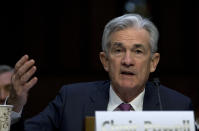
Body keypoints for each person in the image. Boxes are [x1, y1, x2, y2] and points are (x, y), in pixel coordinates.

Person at [9, 13, 193, 131]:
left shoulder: (177, 106)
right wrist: (13, 108)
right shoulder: (71, 100)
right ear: (105, 61)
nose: (127, 61)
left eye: (138, 51)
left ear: (153, 62)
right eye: (118, 50)